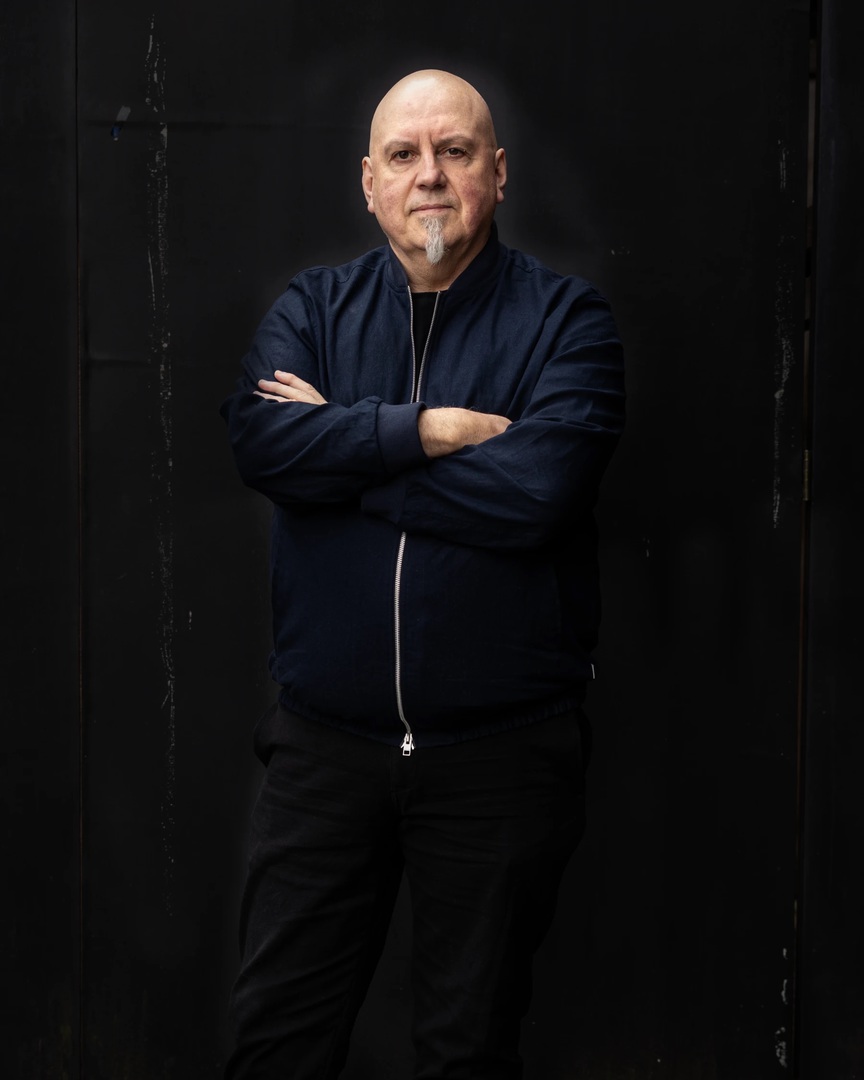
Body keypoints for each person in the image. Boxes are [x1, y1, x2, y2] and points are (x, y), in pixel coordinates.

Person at [220, 68, 625, 1080]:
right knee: (276, 1049)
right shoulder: (314, 310)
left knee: (466, 1053)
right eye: (404, 155)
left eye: (454, 152)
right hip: (324, 756)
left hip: (499, 760)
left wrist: (343, 456)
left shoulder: (567, 323)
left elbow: (537, 494)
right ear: (370, 183)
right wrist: (430, 431)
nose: (429, 174)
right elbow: (263, 445)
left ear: (498, 172)